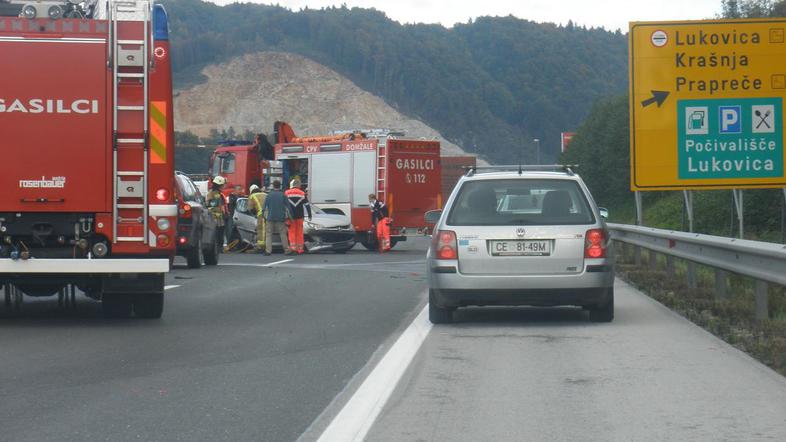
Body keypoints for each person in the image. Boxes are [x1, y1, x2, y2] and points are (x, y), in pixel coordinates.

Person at [261, 181, 291, 256]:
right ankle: (286, 250)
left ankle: (268, 251)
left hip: (270, 217)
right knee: (283, 234)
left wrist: (264, 216)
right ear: (279, 186)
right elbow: (288, 207)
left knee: (268, 234)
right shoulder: (283, 195)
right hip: (280, 218)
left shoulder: (269, 195)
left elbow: (264, 207)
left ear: (273, 186)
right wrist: (289, 217)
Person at [285, 178, 312, 254]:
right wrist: (309, 214)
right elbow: (307, 205)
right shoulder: (302, 193)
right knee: (299, 232)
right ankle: (300, 249)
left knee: (292, 232)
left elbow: (283, 205)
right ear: (298, 185)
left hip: (290, 217)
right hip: (300, 216)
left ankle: (293, 248)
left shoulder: (286, 193)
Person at [206, 176, 228, 243]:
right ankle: (219, 247)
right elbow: (215, 205)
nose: (224, 186)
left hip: (216, 217)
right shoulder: (215, 194)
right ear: (220, 185)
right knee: (218, 233)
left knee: (218, 232)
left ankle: (218, 246)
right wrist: (224, 213)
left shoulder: (214, 192)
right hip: (216, 218)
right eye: (223, 184)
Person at [246, 184, 267, 251]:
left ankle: (261, 246)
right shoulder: (265, 194)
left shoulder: (252, 196)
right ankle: (267, 245)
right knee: (267, 231)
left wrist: (254, 213)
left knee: (261, 230)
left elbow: (250, 208)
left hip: (261, 215)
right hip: (270, 215)